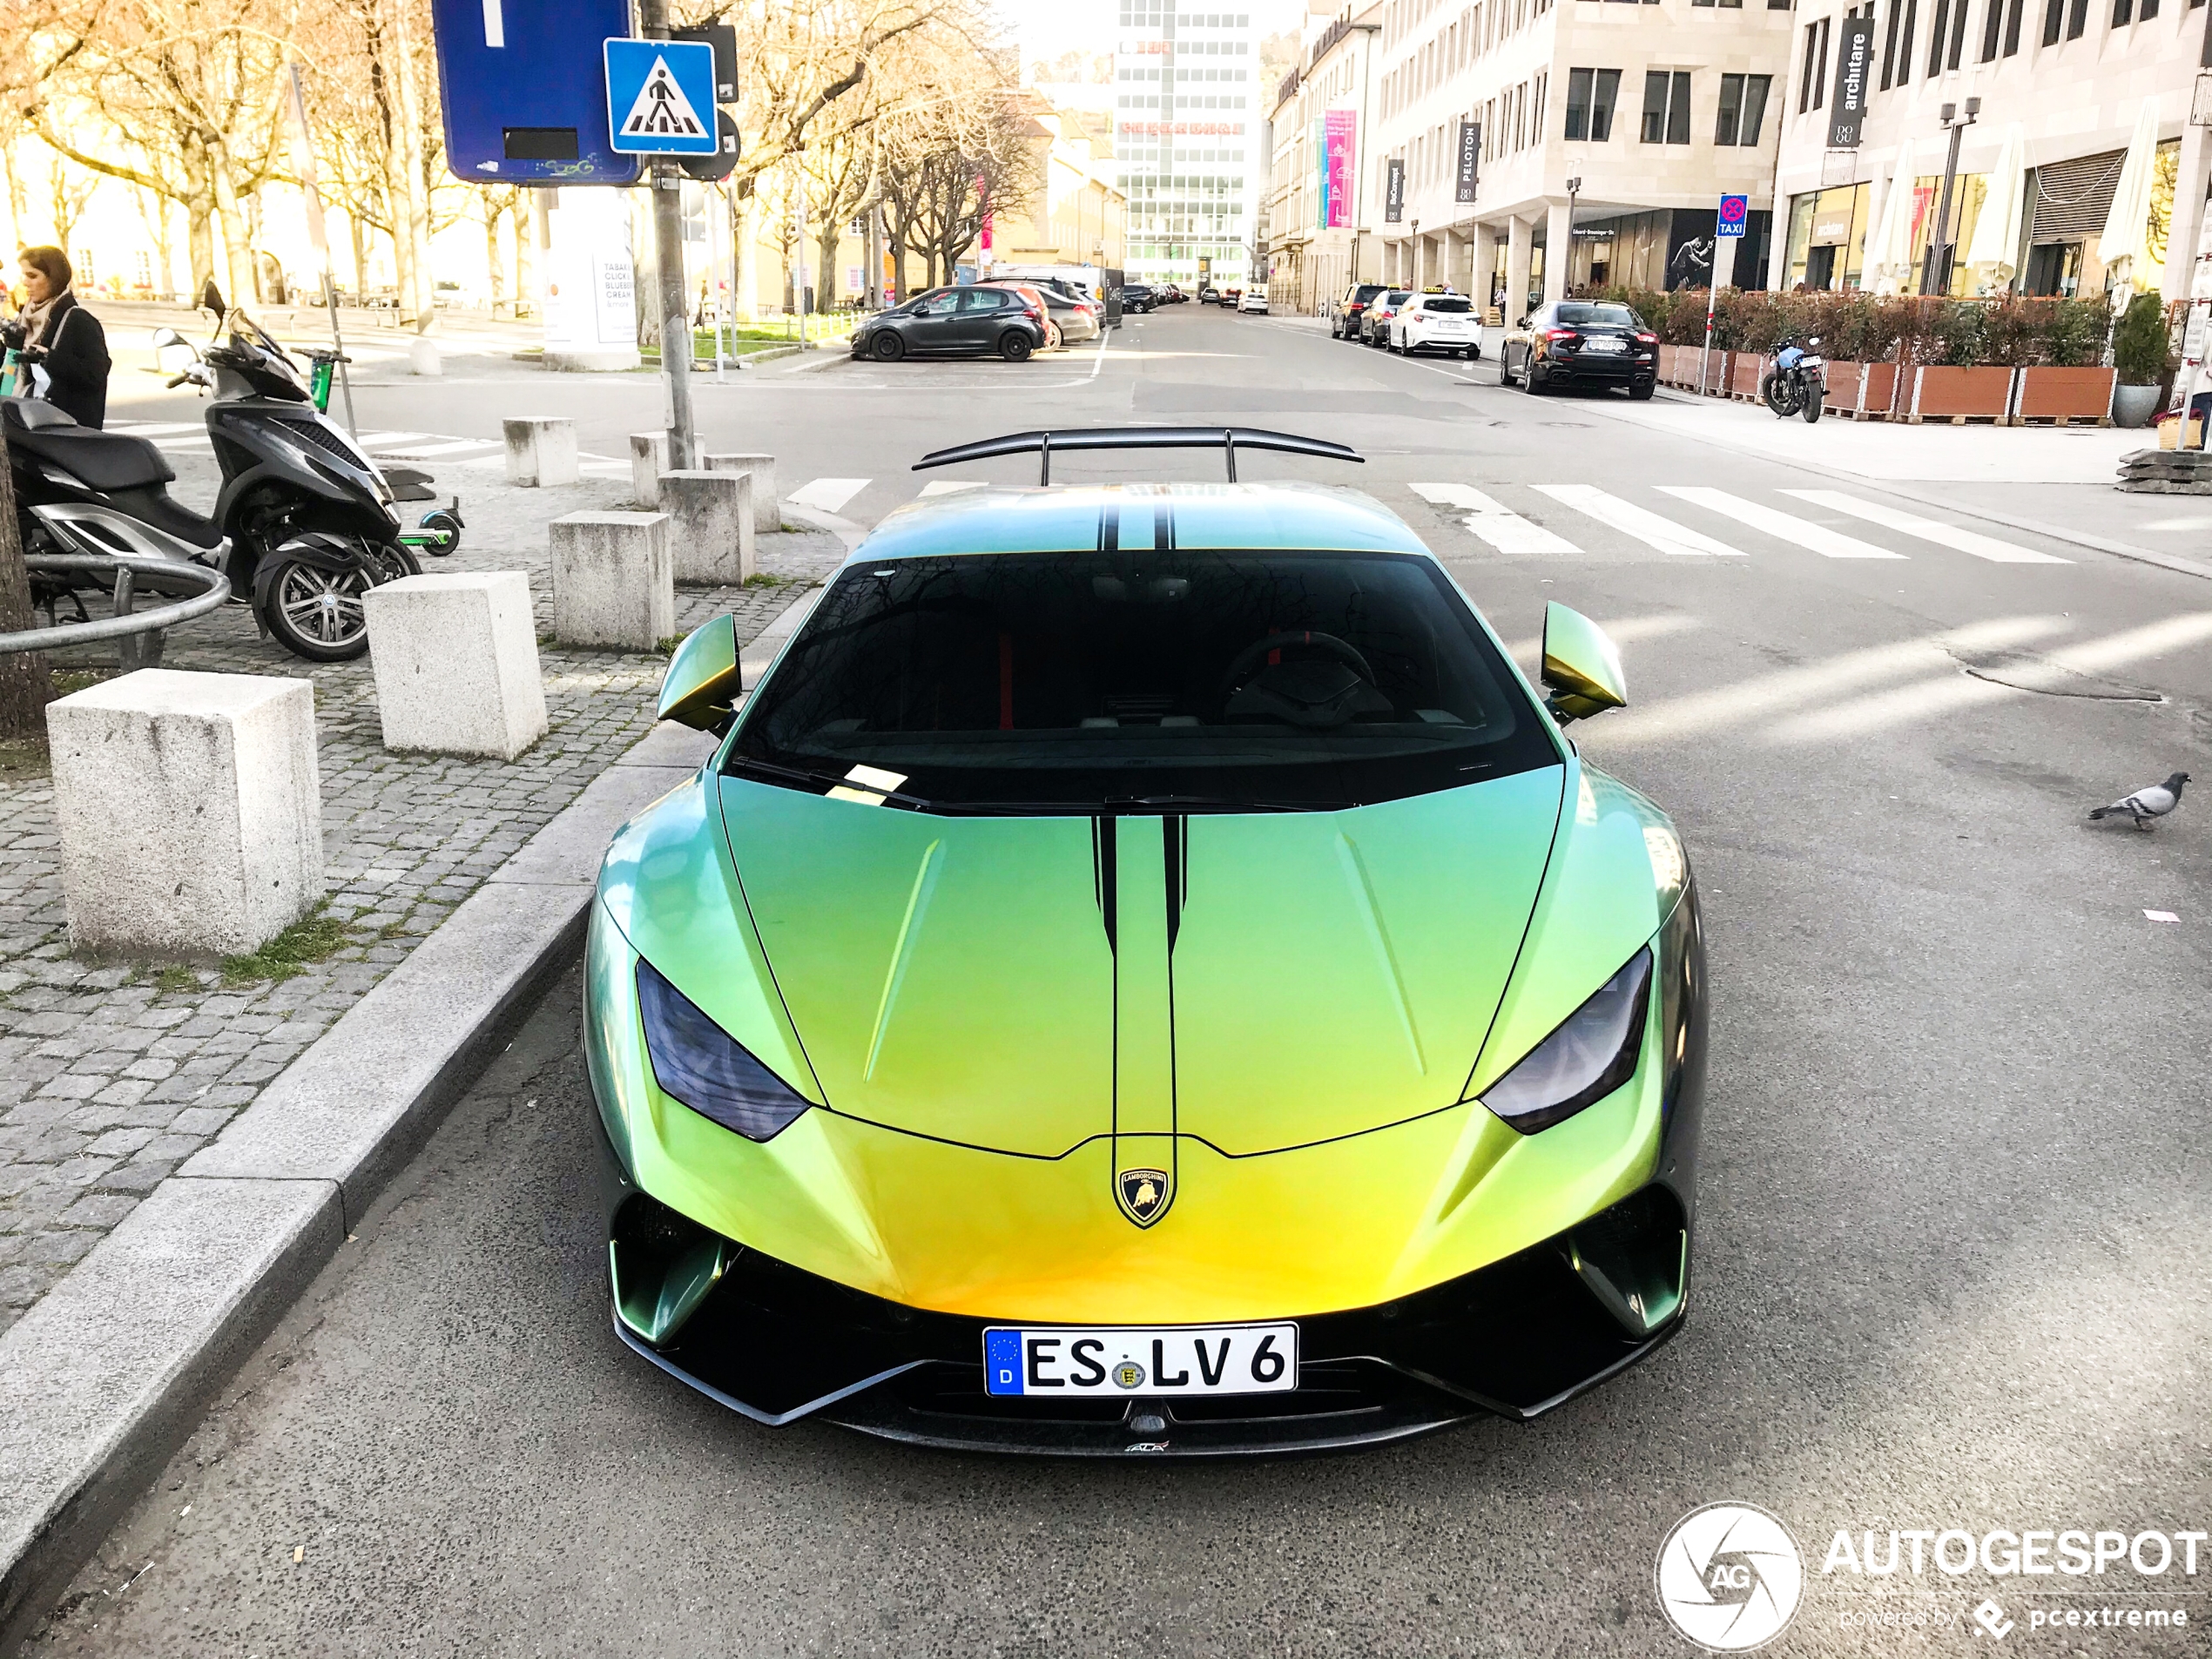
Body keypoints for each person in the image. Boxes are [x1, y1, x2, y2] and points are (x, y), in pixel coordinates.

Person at [3, 246, 111, 428]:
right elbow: (11, 372)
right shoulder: (24, 319)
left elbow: (96, 375)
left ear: (54, 277)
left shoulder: (78, 319)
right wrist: (7, 347)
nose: (25, 282)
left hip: (62, 433)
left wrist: (48, 359)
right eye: (24, 275)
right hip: (24, 426)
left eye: (32, 275)